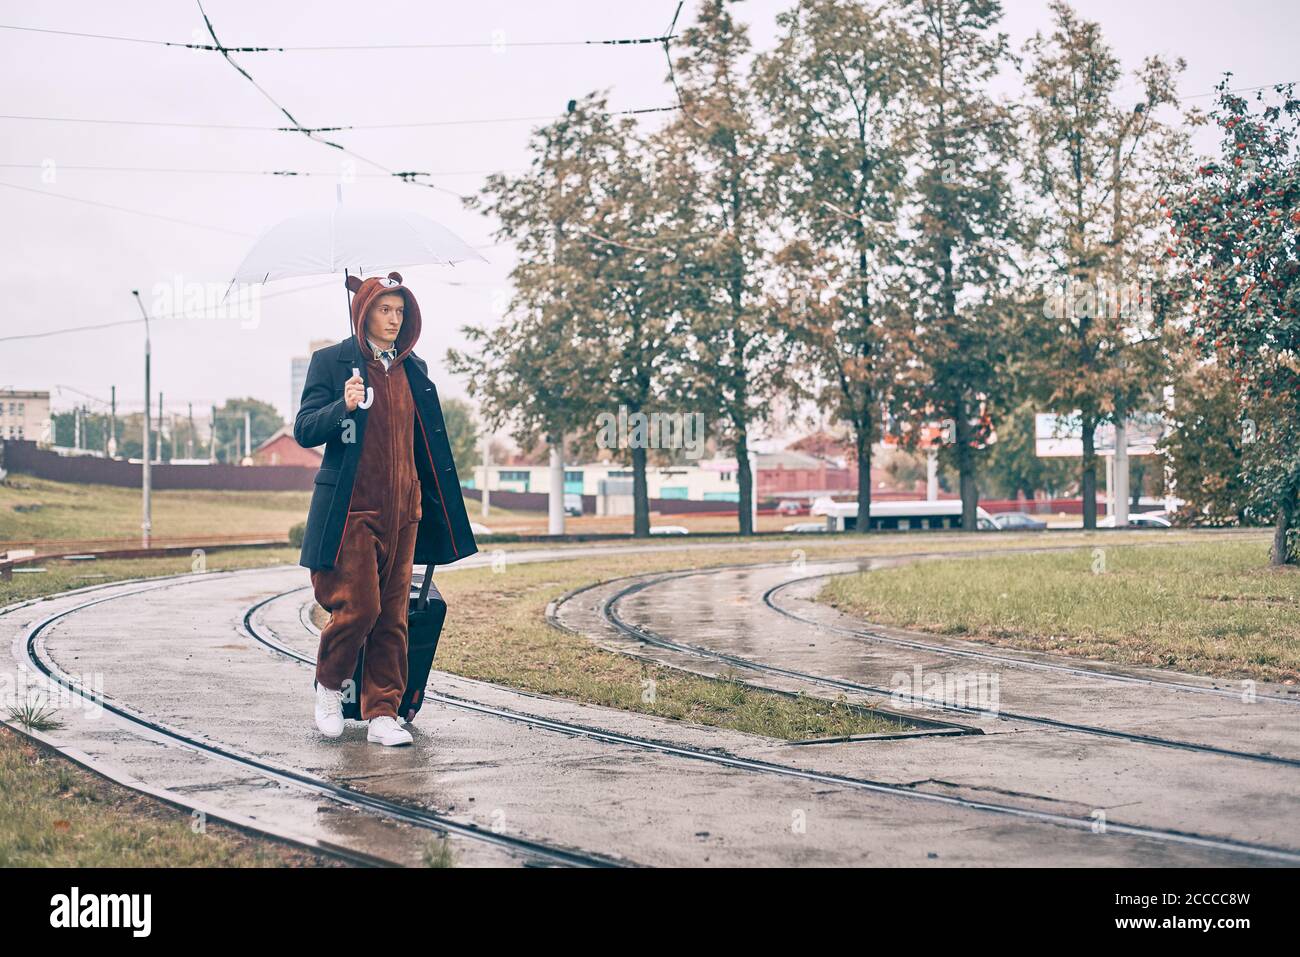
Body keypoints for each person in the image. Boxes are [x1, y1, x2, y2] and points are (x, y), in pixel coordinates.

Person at [293, 272, 478, 745]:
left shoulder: (414, 370)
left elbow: (426, 445)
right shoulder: (333, 363)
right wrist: (343, 406)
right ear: (365, 312)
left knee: (394, 616)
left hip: (404, 513)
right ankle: (330, 686)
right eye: (385, 310)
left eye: (400, 311)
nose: (394, 319)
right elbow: (305, 430)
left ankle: (382, 713)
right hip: (352, 510)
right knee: (359, 608)